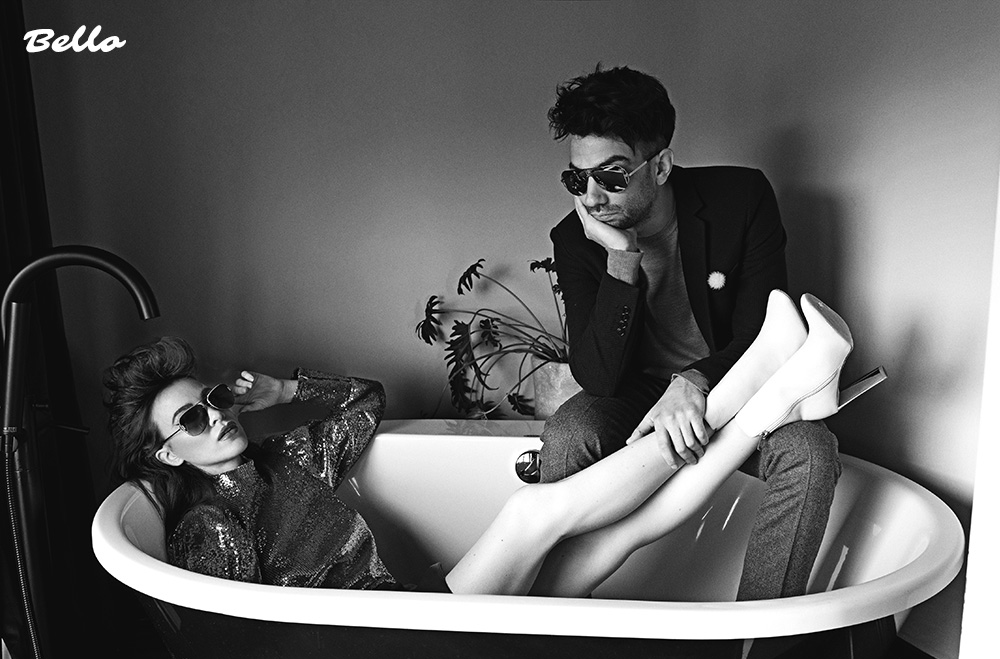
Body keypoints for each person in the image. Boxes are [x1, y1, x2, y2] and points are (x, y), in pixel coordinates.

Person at [102, 290, 861, 598]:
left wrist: (283, 390)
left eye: (214, 399)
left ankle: (771, 388)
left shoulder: (292, 456)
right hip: (391, 647)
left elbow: (369, 399)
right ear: (167, 453)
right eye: (192, 421)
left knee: (616, 537)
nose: (217, 417)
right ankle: (764, 376)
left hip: (419, 618)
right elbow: (243, 628)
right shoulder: (205, 526)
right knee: (531, 515)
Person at [541, 64, 842, 600]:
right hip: (637, 397)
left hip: (739, 388)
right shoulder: (576, 238)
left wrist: (695, 381)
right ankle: (558, 621)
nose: (592, 198)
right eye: (576, 179)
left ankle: (755, 637)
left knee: (812, 452)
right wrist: (620, 258)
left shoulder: (740, 199)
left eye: (612, 177)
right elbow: (598, 377)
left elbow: (765, 330)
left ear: (660, 166)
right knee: (569, 433)